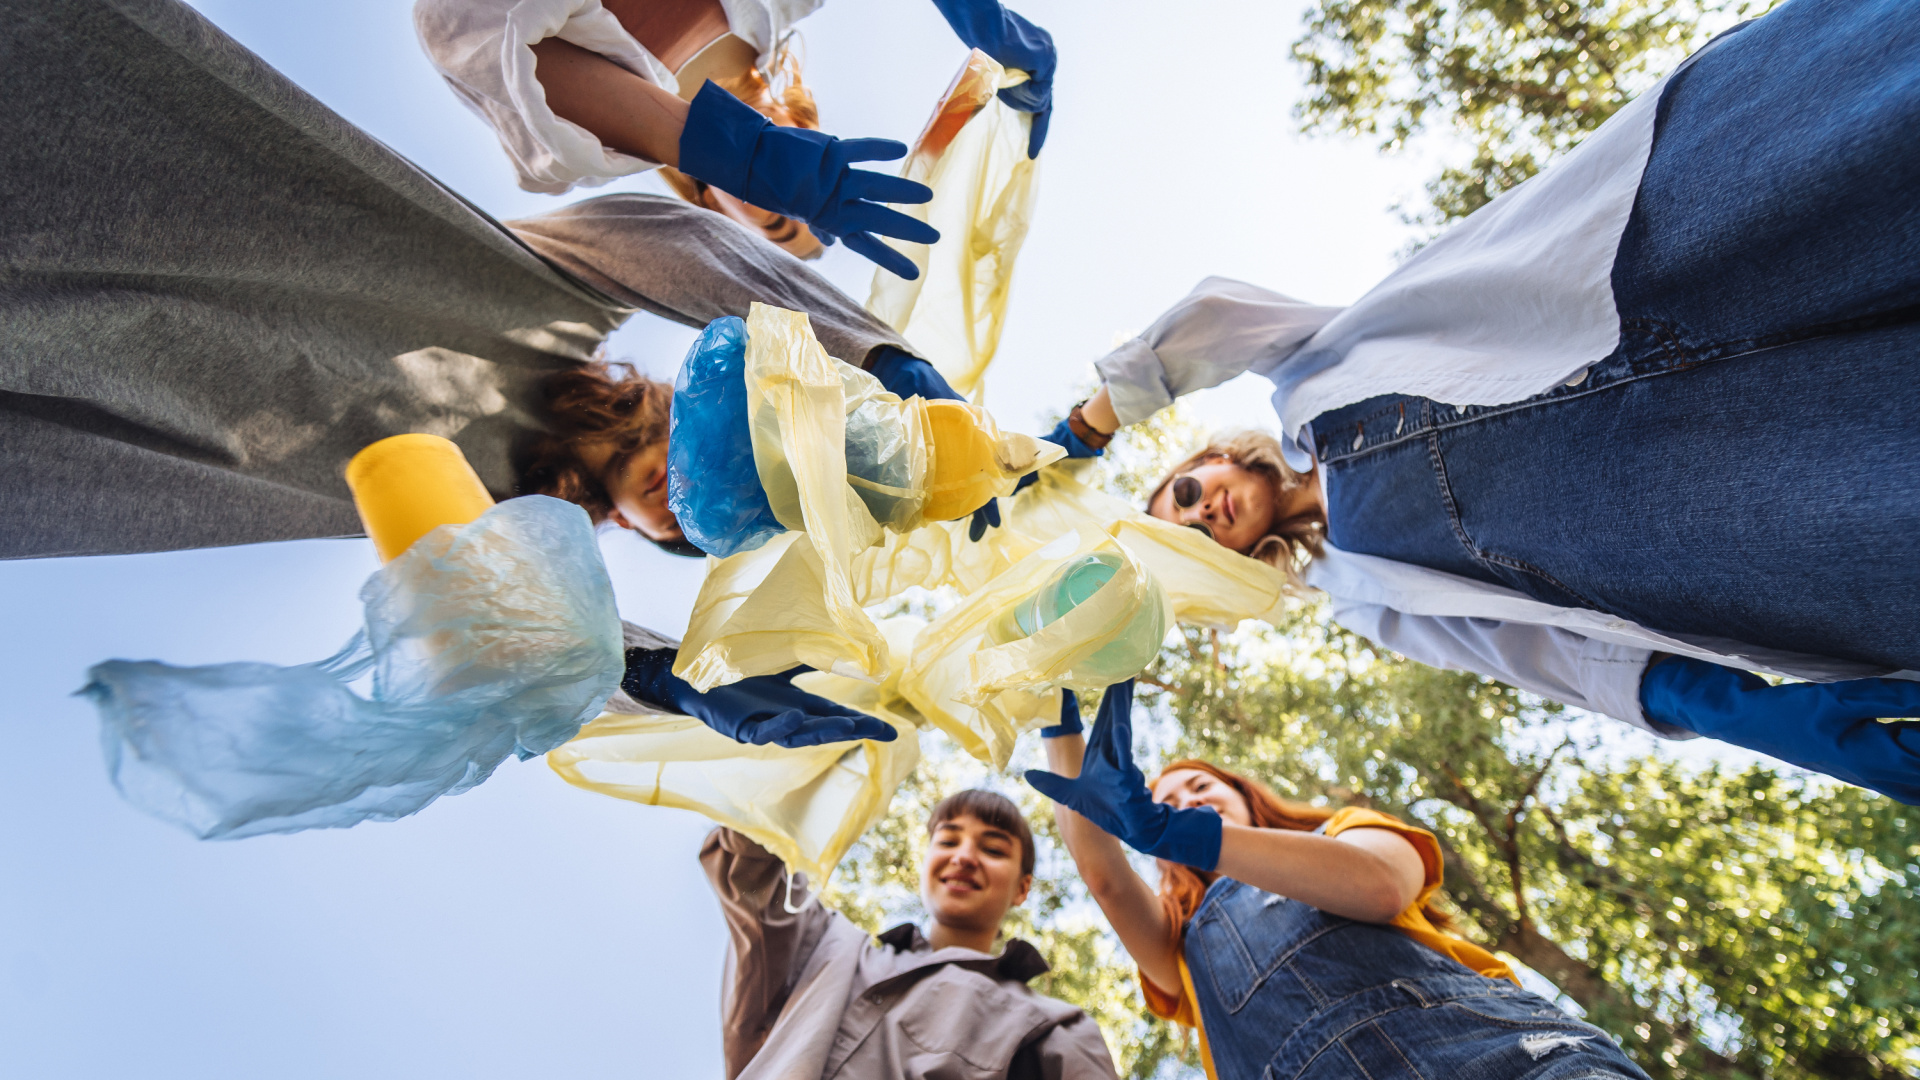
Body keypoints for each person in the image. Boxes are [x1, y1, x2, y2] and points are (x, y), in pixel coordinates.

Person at [1034, 0, 1920, 802]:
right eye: (1195, 537)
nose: (1204, 513)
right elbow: (1540, 654)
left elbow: (1213, 320)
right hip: (1713, 508)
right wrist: (1725, 708)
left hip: (1651, 249)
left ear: (1209, 461)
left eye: (1186, 494)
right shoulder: (1361, 597)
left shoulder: (1304, 374)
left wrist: (1090, 424)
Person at [1026, 682, 1651, 1080]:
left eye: (1201, 787)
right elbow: (1103, 876)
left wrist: (1174, 829)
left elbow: (1379, 884)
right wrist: (1058, 718)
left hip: (1497, 1058)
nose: (1187, 800)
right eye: (1165, 800)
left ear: (1244, 796)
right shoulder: (1178, 946)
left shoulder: (1344, 832)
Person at [413, 0, 1056, 278]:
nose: (786, 205)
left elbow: (457, 25)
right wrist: (984, 16)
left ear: (713, 203)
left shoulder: (573, 151)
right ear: (818, 135)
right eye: (798, 215)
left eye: (776, 225)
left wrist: (741, 151)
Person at [699, 788, 1119, 1080]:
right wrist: (795, 770)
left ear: (1022, 888)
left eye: (992, 849)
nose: (965, 857)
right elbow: (752, 871)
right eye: (948, 840)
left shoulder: (1053, 1024)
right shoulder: (828, 947)